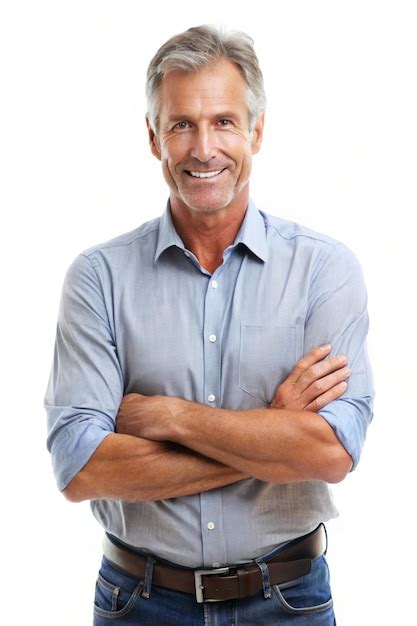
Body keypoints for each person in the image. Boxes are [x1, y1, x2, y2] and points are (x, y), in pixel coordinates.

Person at [45, 24, 374, 625]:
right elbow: (82, 465)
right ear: (153, 137)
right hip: (139, 604)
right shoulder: (98, 278)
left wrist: (170, 417)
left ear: (257, 131)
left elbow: (330, 452)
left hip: (289, 602)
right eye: (181, 125)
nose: (203, 148)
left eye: (224, 121)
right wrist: (275, 436)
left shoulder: (324, 271)